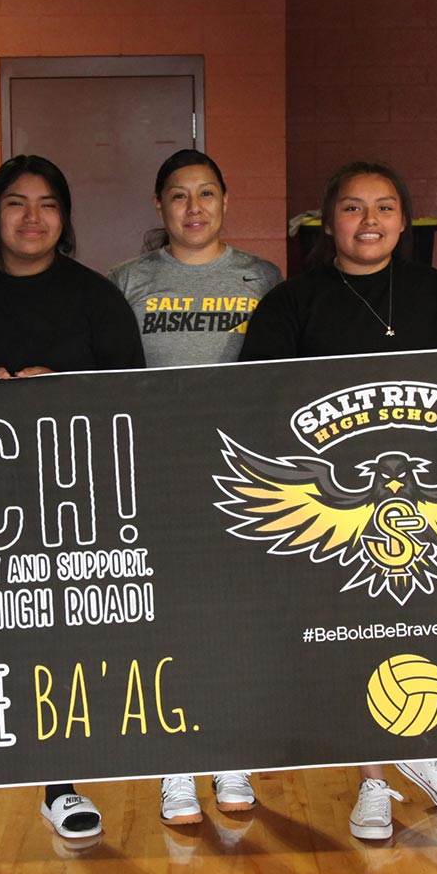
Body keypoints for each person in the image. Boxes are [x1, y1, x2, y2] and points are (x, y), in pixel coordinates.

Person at [0, 155, 145, 844]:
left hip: (67, 498)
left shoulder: (96, 298)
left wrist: (62, 384)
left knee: (55, 639)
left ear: (65, 219)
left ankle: (60, 785)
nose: (31, 217)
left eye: (46, 204)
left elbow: (132, 397)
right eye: (16, 203)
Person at [242, 161, 437, 842]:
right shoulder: (294, 300)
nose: (369, 222)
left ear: (404, 222)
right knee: (356, 638)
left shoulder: (432, 289)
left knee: (430, 625)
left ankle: (431, 753)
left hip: (422, 500)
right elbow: (255, 399)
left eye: (384, 208)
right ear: (328, 221)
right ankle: (373, 780)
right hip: (340, 502)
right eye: (352, 208)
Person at [109, 148, 281, 823]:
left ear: (226, 201)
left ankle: (230, 756)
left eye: (206, 193)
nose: (193, 207)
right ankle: (177, 766)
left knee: (233, 619)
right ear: (160, 206)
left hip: (238, 474)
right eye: (178, 195)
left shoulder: (261, 278)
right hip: (159, 473)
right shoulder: (126, 281)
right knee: (172, 620)